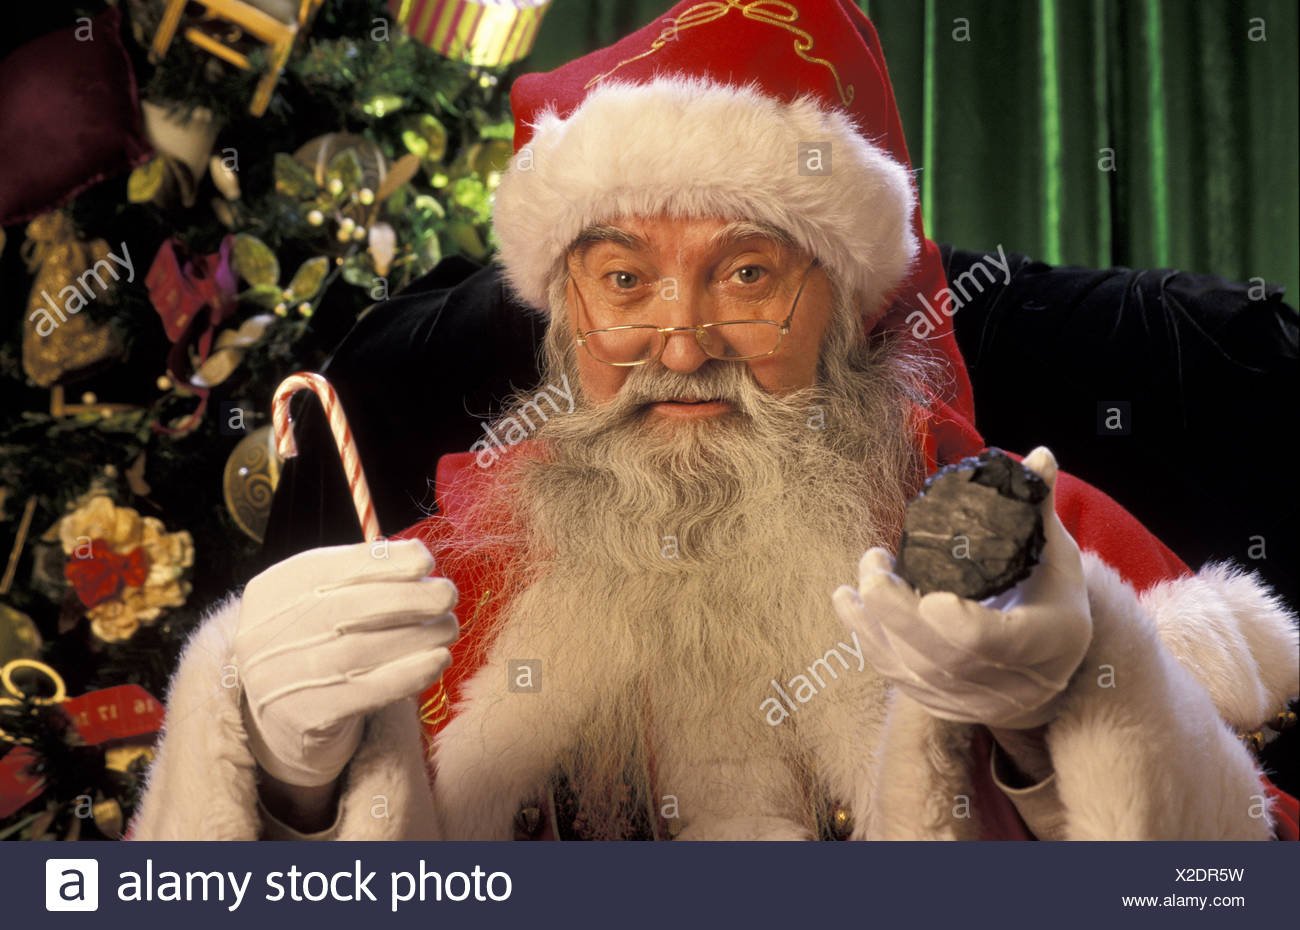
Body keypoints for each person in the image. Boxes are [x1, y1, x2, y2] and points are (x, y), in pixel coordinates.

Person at [127, 0, 1298, 842]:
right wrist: (284, 785)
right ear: (561, 316)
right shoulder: (441, 584)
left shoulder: (1021, 547)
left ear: (846, 307)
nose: (680, 348)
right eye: (623, 281)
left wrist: (1065, 710)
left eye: (746, 276)